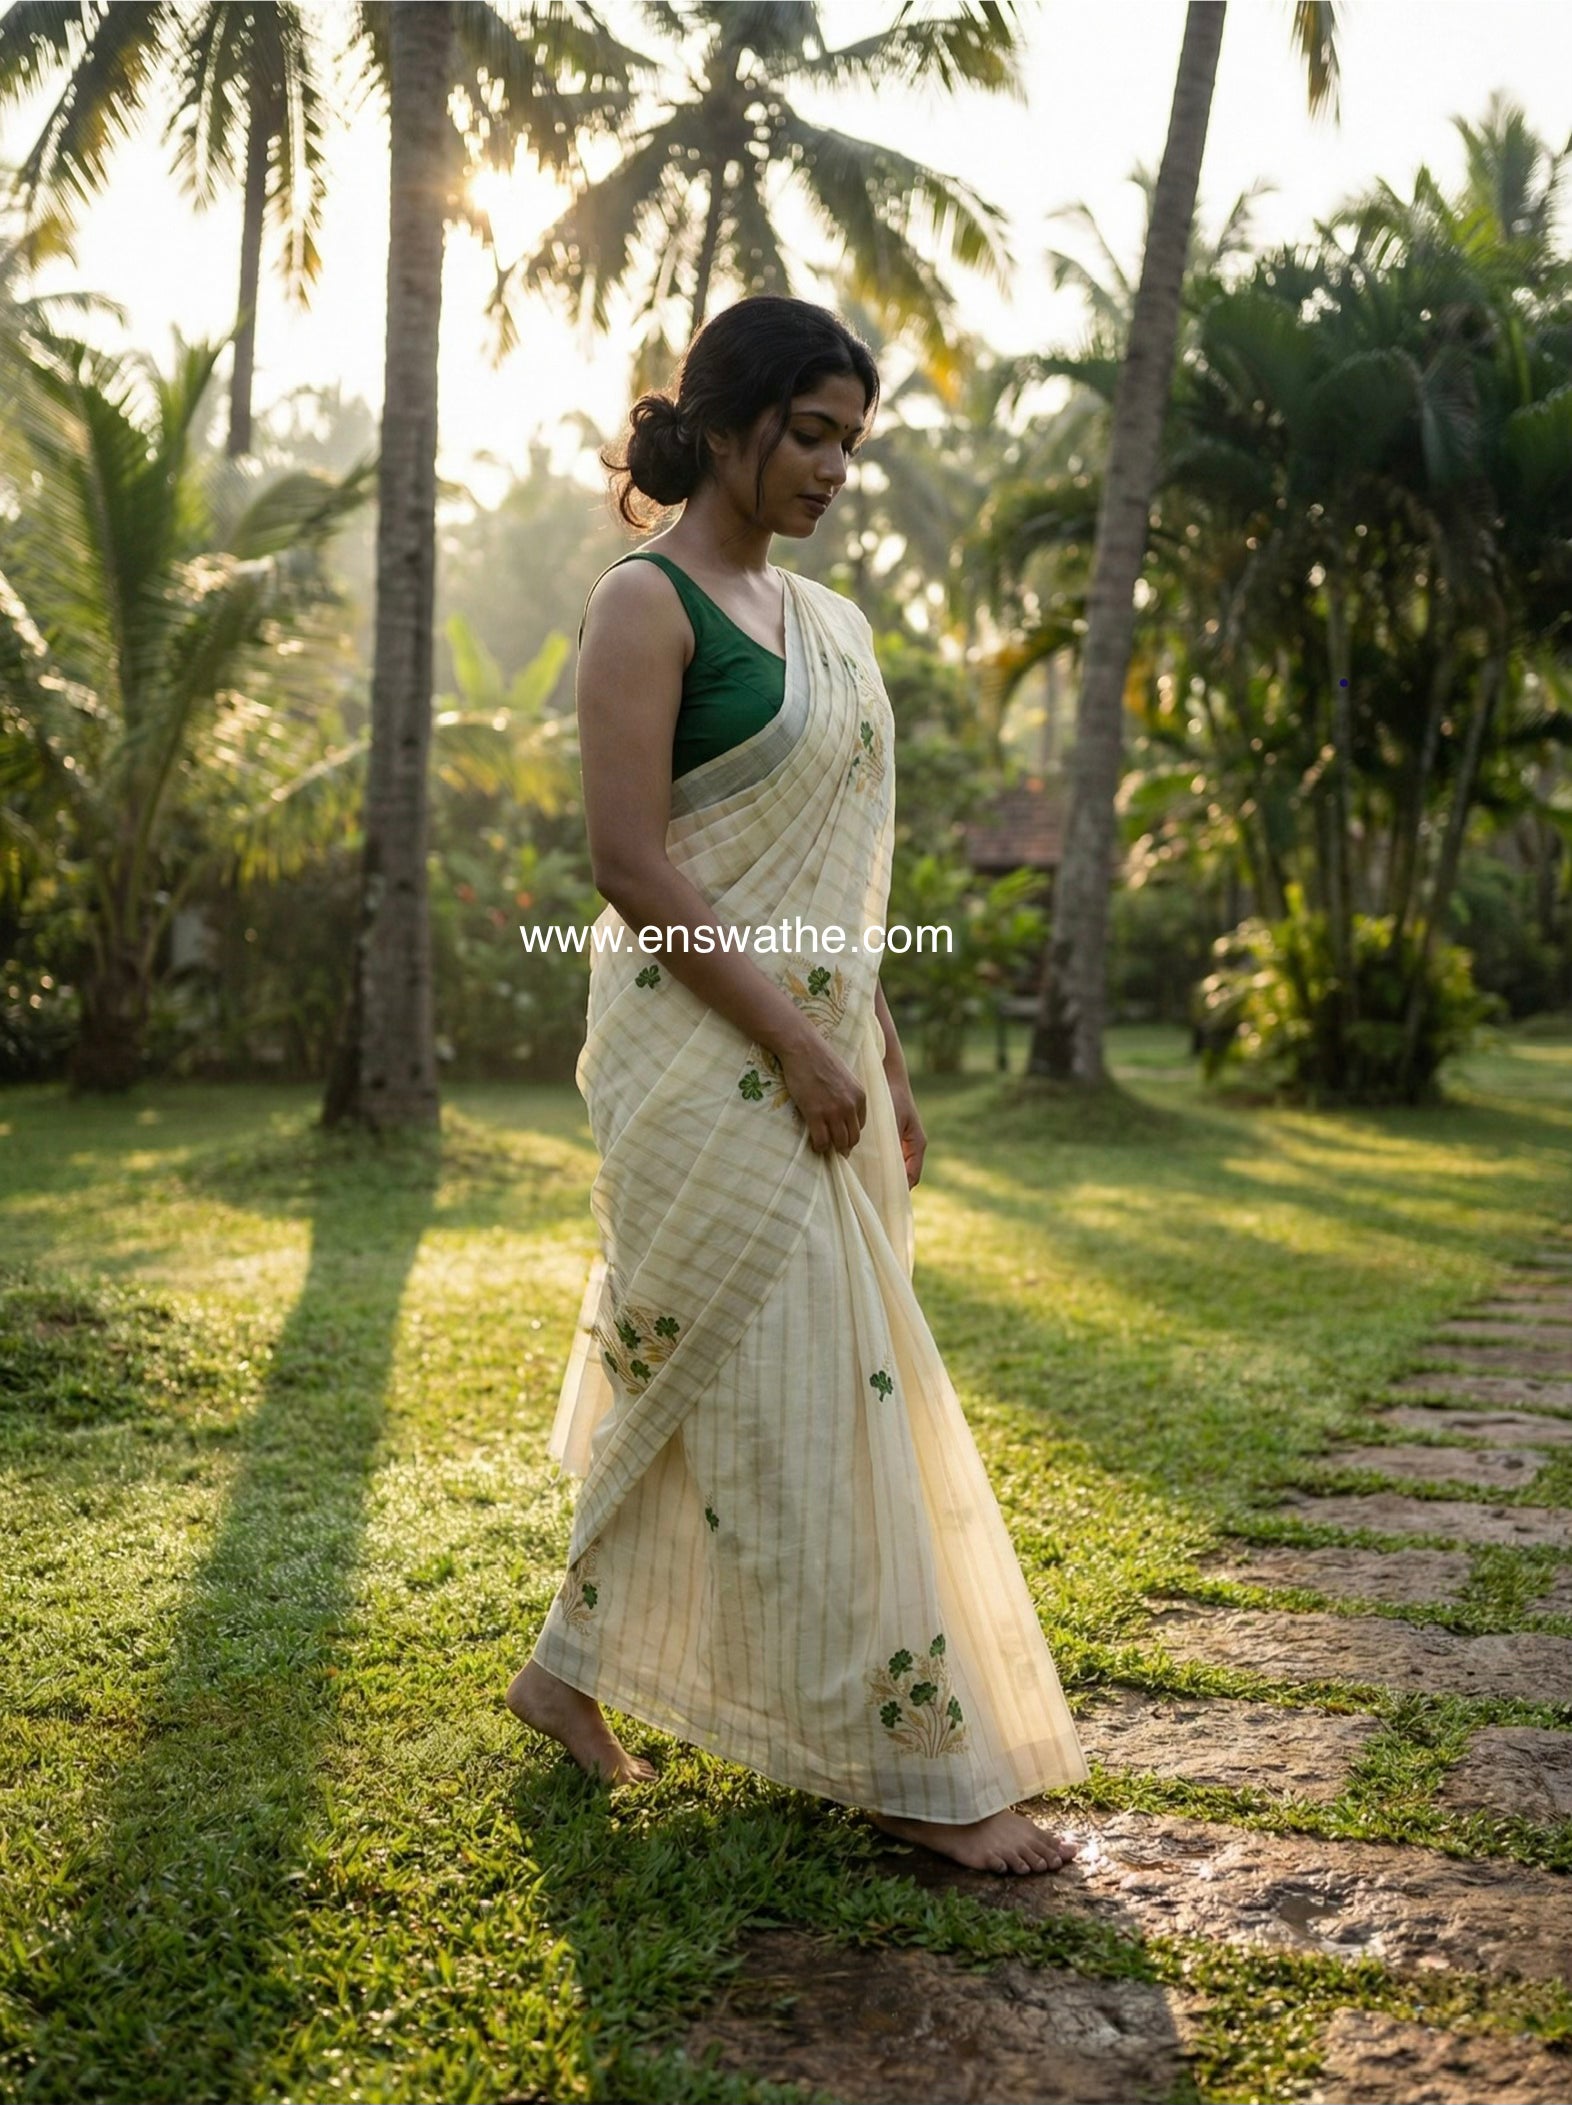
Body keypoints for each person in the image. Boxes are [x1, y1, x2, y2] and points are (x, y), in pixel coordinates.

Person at [507, 295, 1086, 1877]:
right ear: (724, 424)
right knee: (789, 1397)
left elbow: (843, 889)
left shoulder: (830, 626)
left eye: (851, 442)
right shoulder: (647, 604)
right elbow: (631, 863)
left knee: (759, 1389)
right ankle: (905, 1768)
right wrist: (794, 1042)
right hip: (701, 1063)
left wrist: (874, 1047)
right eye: (810, 433)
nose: (834, 467)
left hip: (819, 1058)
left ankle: (563, 1672)